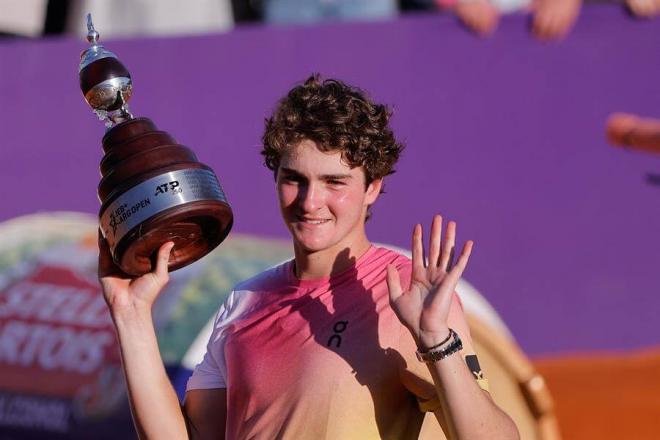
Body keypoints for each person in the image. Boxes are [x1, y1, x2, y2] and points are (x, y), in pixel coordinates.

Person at [98, 75, 519, 439]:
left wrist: (436, 342)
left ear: (372, 187)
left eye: (334, 182)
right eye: (294, 179)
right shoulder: (244, 303)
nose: (310, 201)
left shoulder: (408, 298)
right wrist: (131, 315)